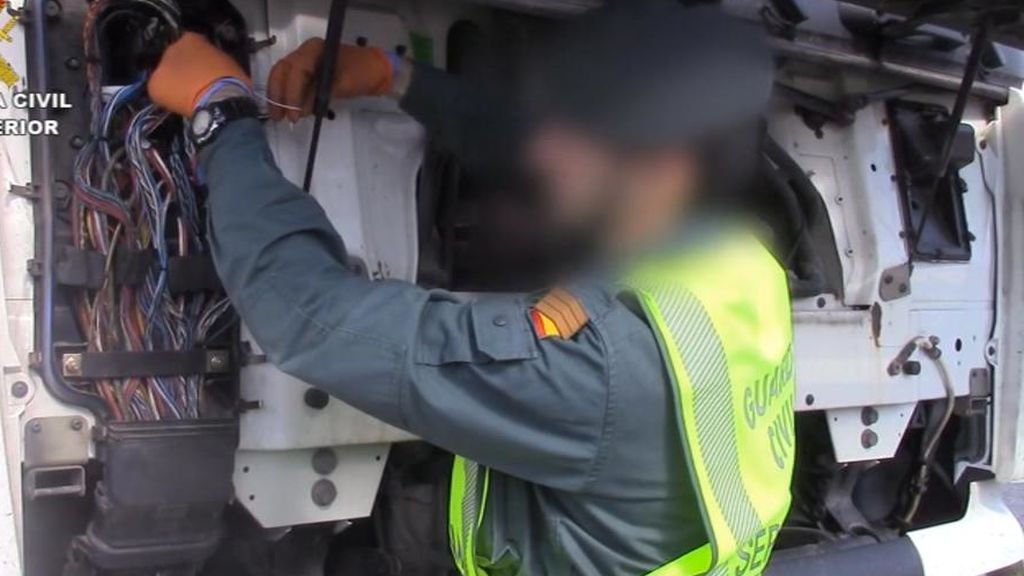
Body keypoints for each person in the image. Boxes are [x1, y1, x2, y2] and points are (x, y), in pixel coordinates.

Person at [148, 1, 795, 575]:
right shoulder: (736, 262)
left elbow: (306, 315)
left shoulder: (589, 375)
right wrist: (391, 75)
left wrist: (220, 112)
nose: (546, 152)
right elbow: (531, 149)